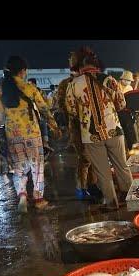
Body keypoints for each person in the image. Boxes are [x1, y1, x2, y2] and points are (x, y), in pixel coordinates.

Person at [0, 56, 60, 213]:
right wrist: (54, 126)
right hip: (32, 135)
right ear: (22, 71)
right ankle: (39, 199)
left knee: (19, 169)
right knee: (37, 167)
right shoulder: (29, 88)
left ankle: (22, 196)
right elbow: (44, 109)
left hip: (13, 136)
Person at [65, 47, 132, 212]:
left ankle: (111, 203)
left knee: (102, 172)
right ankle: (131, 199)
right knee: (122, 166)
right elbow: (122, 104)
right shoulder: (109, 80)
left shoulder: (73, 85)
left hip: (91, 135)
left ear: (79, 66)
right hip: (114, 130)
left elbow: (71, 110)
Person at [56, 51, 97, 200]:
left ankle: (93, 186)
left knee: (92, 158)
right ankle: (83, 187)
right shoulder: (67, 84)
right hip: (79, 128)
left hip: (93, 128)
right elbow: (63, 107)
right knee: (85, 158)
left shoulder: (90, 79)